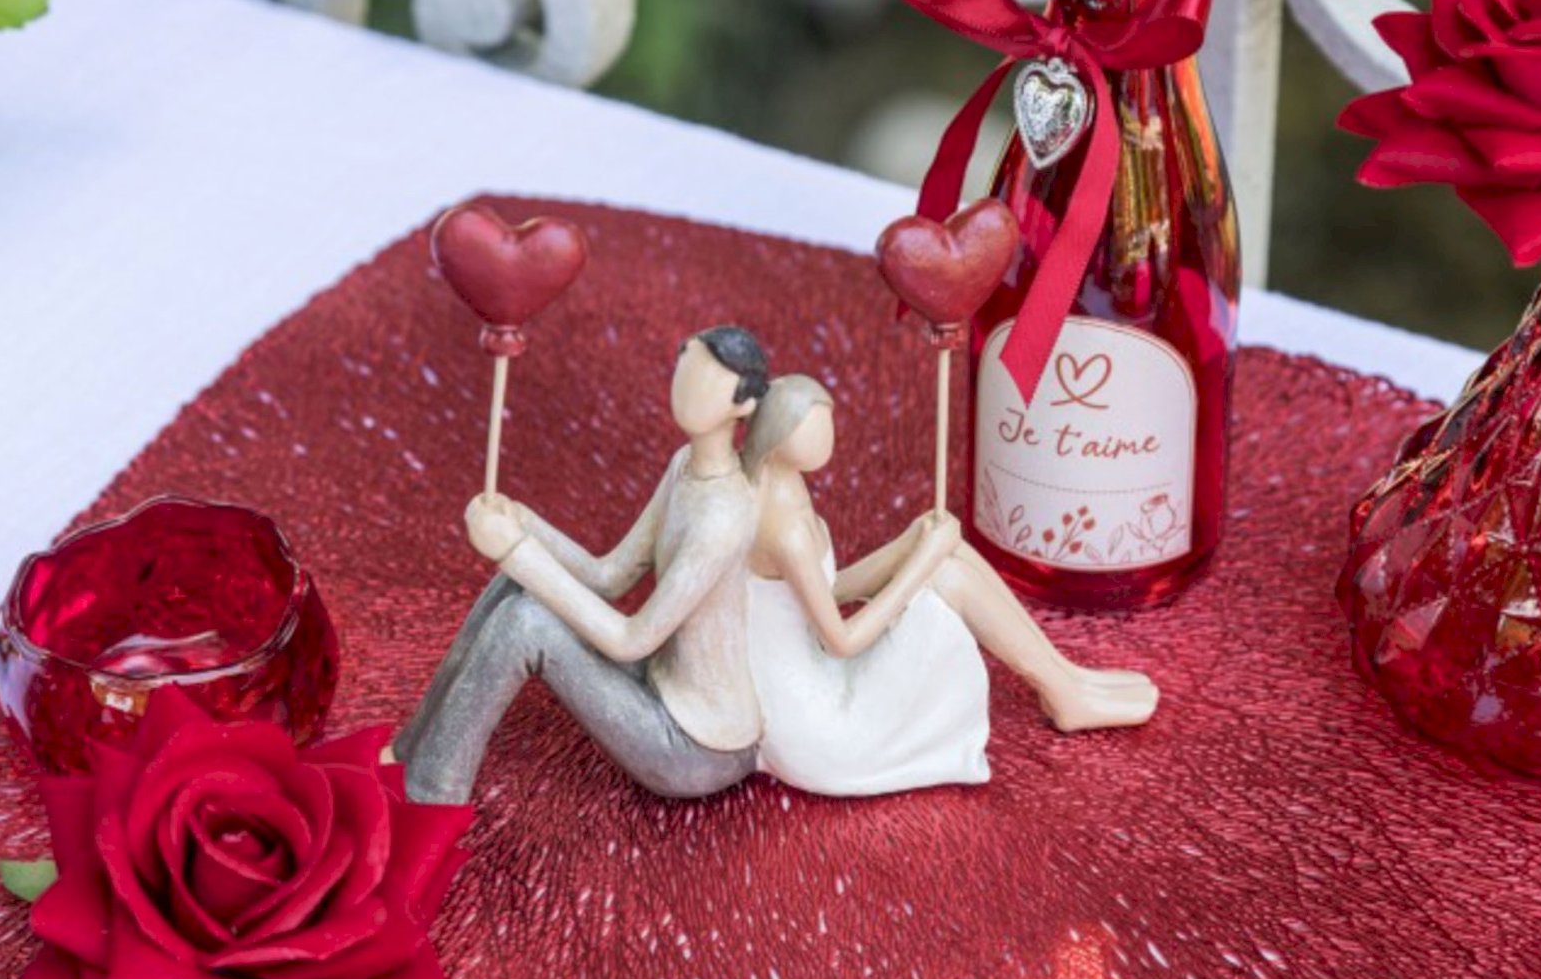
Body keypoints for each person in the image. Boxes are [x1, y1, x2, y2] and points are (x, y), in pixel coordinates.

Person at [394, 326, 772, 803]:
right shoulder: (684, 466)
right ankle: (413, 750)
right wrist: (526, 526)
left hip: (696, 748)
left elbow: (633, 640)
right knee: (517, 584)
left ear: (744, 403)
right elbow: (610, 576)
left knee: (527, 621)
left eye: (705, 377)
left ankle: (432, 794)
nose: (684, 384)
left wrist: (517, 551)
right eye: (684, 365)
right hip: (657, 685)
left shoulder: (724, 515)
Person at [740, 375, 1159, 797]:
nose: (830, 436)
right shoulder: (787, 531)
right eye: (818, 429)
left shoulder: (780, 487)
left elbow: (828, 590)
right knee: (946, 574)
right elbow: (840, 642)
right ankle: (1062, 690)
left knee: (949, 550)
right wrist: (922, 561)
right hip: (822, 725)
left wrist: (907, 545)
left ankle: (1063, 677)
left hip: (817, 673)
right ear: (782, 438)